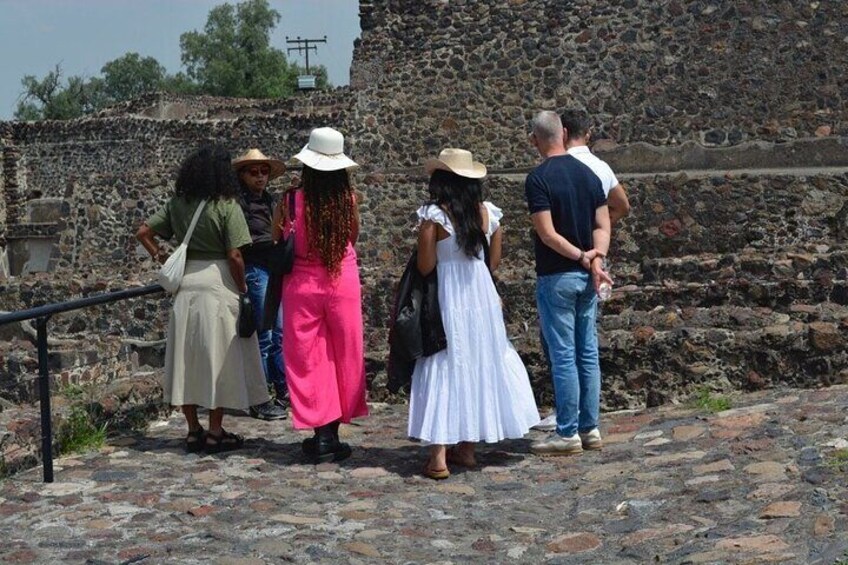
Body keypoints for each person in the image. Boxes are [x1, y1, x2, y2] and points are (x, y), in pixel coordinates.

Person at [408, 148, 540, 479]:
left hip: (448, 297)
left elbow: (426, 266)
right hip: (481, 297)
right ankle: (466, 447)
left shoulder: (434, 218)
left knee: (444, 363)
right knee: (477, 361)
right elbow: (491, 263)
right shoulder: (488, 215)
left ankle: (438, 455)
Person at [136, 144, 270, 454]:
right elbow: (235, 255)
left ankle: (193, 430)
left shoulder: (178, 204)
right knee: (218, 361)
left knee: (188, 360)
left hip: (187, 285)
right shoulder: (227, 205)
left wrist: (159, 255)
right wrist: (243, 289)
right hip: (218, 284)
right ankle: (214, 432)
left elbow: (144, 231)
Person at [272, 127, 368, 464]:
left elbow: (276, 238)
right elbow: (351, 238)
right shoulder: (348, 199)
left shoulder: (289, 200)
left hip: (301, 283)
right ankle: (335, 431)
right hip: (341, 278)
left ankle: (321, 432)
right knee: (344, 353)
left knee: (308, 357)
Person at [533, 109, 631, 432]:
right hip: (588, 276)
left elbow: (547, 234)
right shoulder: (591, 174)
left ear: (536, 139)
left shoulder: (538, 178)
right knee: (587, 352)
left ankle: (567, 431)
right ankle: (590, 428)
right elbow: (604, 224)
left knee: (563, 356)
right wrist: (596, 259)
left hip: (558, 273)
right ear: (563, 133)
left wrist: (581, 257)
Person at [232, 148, 289, 421]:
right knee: (265, 336)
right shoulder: (239, 205)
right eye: (253, 172)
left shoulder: (269, 201)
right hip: (256, 269)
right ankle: (261, 396)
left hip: (273, 268)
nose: (260, 177)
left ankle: (282, 391)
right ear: (242, 175)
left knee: (279, 333)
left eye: (264, 172)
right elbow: (242, 242)